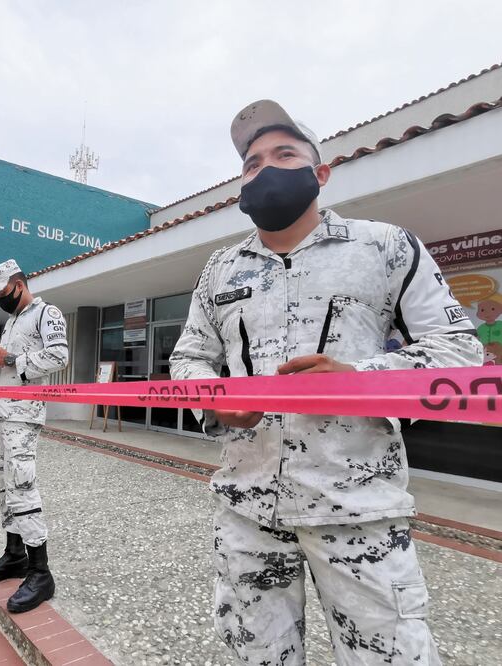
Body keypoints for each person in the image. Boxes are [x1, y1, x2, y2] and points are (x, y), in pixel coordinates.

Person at [169, 100, 483, 665]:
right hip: (247, 507)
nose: (265, 169)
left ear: (320, 174)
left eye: (284, 154)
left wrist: (361, 377)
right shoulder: (220, 269)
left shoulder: (385, 247)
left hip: (357, 509)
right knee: (256, 655)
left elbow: (460, 351)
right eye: (252, 161)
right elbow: (189, 356)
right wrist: (215, 399)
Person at [0, 259, 69, 613]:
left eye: (2, 293)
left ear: (18, 284)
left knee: (22, 484)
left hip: (24, 415)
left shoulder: (47, 313)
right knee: (3, 483)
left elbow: (60, 356)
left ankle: (41, 571)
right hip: (1, 412)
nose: (0, 300)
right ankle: (15, 554)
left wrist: (11, 358)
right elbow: (12, 361)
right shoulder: (12, 321)